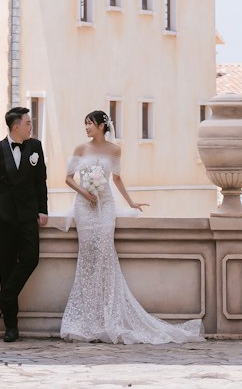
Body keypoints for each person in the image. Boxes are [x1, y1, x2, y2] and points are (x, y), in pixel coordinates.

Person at [60, 108, 202, 344]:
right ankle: (87, 319)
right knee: (88, 256)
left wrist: (131, 202)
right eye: (85, 124)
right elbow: (68, 178)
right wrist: (85, 193)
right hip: (84, 206)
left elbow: (116, 179)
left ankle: (108, 316)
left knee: (105, 252)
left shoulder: (115, 150)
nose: (86, 128)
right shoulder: (80, 149)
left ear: (101, 126)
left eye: (90, 124)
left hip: (105, 205)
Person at [0, 104, 48, 342]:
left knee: (31, 259)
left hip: (28, 215)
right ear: (16, 126)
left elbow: (41, 181)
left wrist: (43, 209)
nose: (31, 126)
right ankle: (11, 325)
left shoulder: (36, 147)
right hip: (3, 217)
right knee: (6, 268)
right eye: (28, 123)